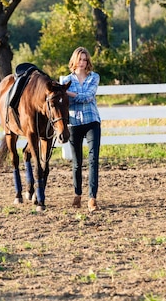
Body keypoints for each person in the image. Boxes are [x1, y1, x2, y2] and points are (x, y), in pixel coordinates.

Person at [63, 47, 102, 212]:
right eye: (80, 59)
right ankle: (77, 193)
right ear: (74, 60)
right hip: (74, 124)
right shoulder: (66, 80)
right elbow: (63, 103)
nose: (82, 63)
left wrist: (69, 94)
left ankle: (92, 198)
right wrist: (67, 94)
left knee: (93, 160)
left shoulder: (94, 77)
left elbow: (88, 97)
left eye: (85, 60)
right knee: (77, 162)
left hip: (91, 121)